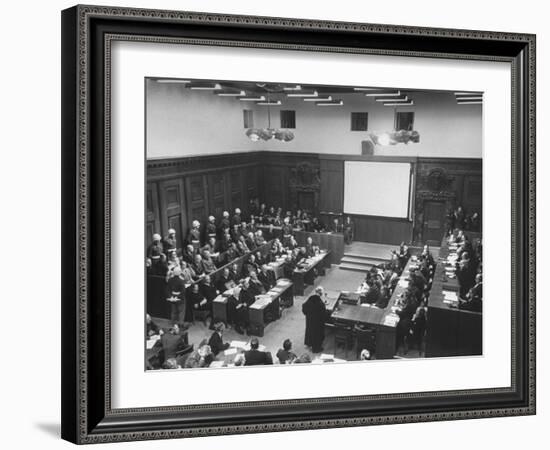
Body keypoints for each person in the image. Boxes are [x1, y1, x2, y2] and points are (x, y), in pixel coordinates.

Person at [302, 286, 327, 353]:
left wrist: (308, 315)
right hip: (317, 323)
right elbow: (324, 315)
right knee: (317, 335)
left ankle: (309, 343)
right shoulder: (321, 304)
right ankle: (316, 349)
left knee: (310, 331)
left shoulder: (310, 298)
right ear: (321, 293)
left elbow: (304, 307)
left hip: (309, 321)